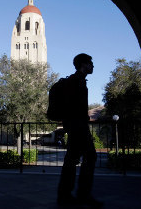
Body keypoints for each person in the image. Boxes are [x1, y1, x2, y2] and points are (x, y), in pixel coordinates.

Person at [57, 53, 103, 207]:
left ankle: (68, 195)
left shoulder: (78, 81)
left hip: (77, 126)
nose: (93, 66)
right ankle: (80, 195)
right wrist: (75, 125)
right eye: (91, 63)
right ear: (84, 64)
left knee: (72, 160)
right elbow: (71, 106)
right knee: (89, 157)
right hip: (78, 127)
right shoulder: (75, 81)